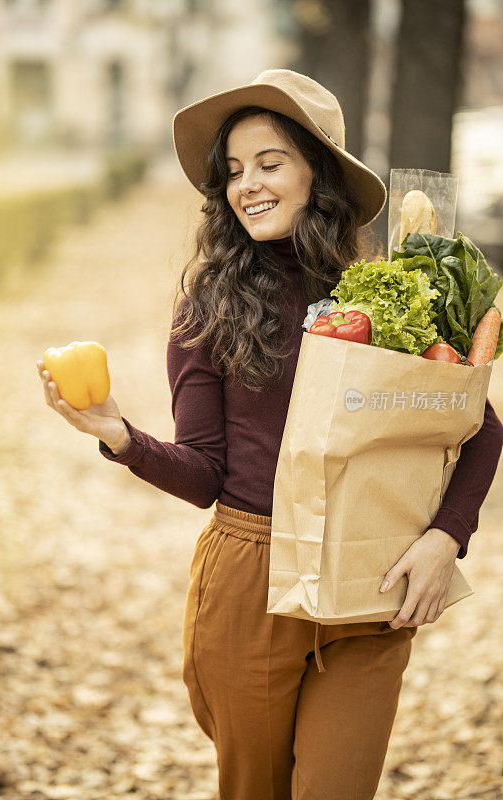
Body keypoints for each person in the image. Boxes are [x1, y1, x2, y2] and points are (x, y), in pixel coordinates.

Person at [37, 69, 503, 800]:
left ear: (317, 173)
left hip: (368, 579)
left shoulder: (391, 289)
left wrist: (445, 536)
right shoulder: (209, 306)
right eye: (231, 172)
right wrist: (119, 435)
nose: (245, 184)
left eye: (268, 162)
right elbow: (203, 474)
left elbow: (475, 424)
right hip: (250, 581)